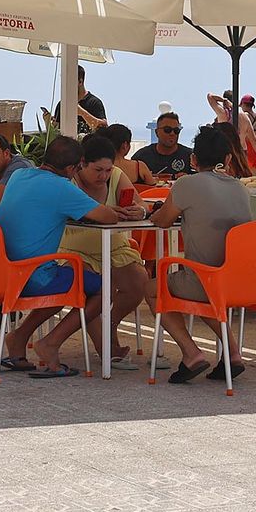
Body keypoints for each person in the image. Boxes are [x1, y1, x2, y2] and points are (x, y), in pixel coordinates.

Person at [0, 136, 132, 377]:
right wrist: (109, 210)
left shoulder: (19, 176)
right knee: (103, 288)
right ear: (71, 168)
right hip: (33, 276)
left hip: (3, 272)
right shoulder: (61, 187)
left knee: (72, 279)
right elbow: (108, 218)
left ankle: (19, 338)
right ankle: (51, 343)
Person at [149, 125, 256, 383]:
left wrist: (152, 210)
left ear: (193, 159)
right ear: (228, 159)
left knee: (152, 287)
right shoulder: (240, 188)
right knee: (206, 285)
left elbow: (162, 221)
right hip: (241, 281)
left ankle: (191, 352)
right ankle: (232, 353)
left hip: (206, 281)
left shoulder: (187, 184)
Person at [60, 132, 150, 367]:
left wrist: (138, 212)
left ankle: (109, 323)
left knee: (140, 282)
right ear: (82, 165)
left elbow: (141, 204)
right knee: (93, 288)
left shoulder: (117, 176)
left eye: (108, 170)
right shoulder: (68, 182)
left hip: (113, 245)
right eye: (97, 170)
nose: (104, 176)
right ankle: (107, 349)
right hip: (74, 247)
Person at [207, 90, 256, 171]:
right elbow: (253, 140)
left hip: (227, 151)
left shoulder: (223, 113)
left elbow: (210, 96)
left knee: (226, 179)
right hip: (242, 152)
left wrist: (223, 100)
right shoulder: (245, 116)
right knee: (240, 179)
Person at [43, 65, 107, 134]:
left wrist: (82, 113)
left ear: (80, 82)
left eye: (69, 82)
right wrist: (48, 122)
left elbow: (104, 126)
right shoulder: (62, 104)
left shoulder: (94, 102)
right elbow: (57, 132)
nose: (66, 85)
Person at [132, 113, 193, 180]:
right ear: (156, 132)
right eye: (167, 130)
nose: (172, 133)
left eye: (176, 130)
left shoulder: (190, 157)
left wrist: (188, 179)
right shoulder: (141, 157)